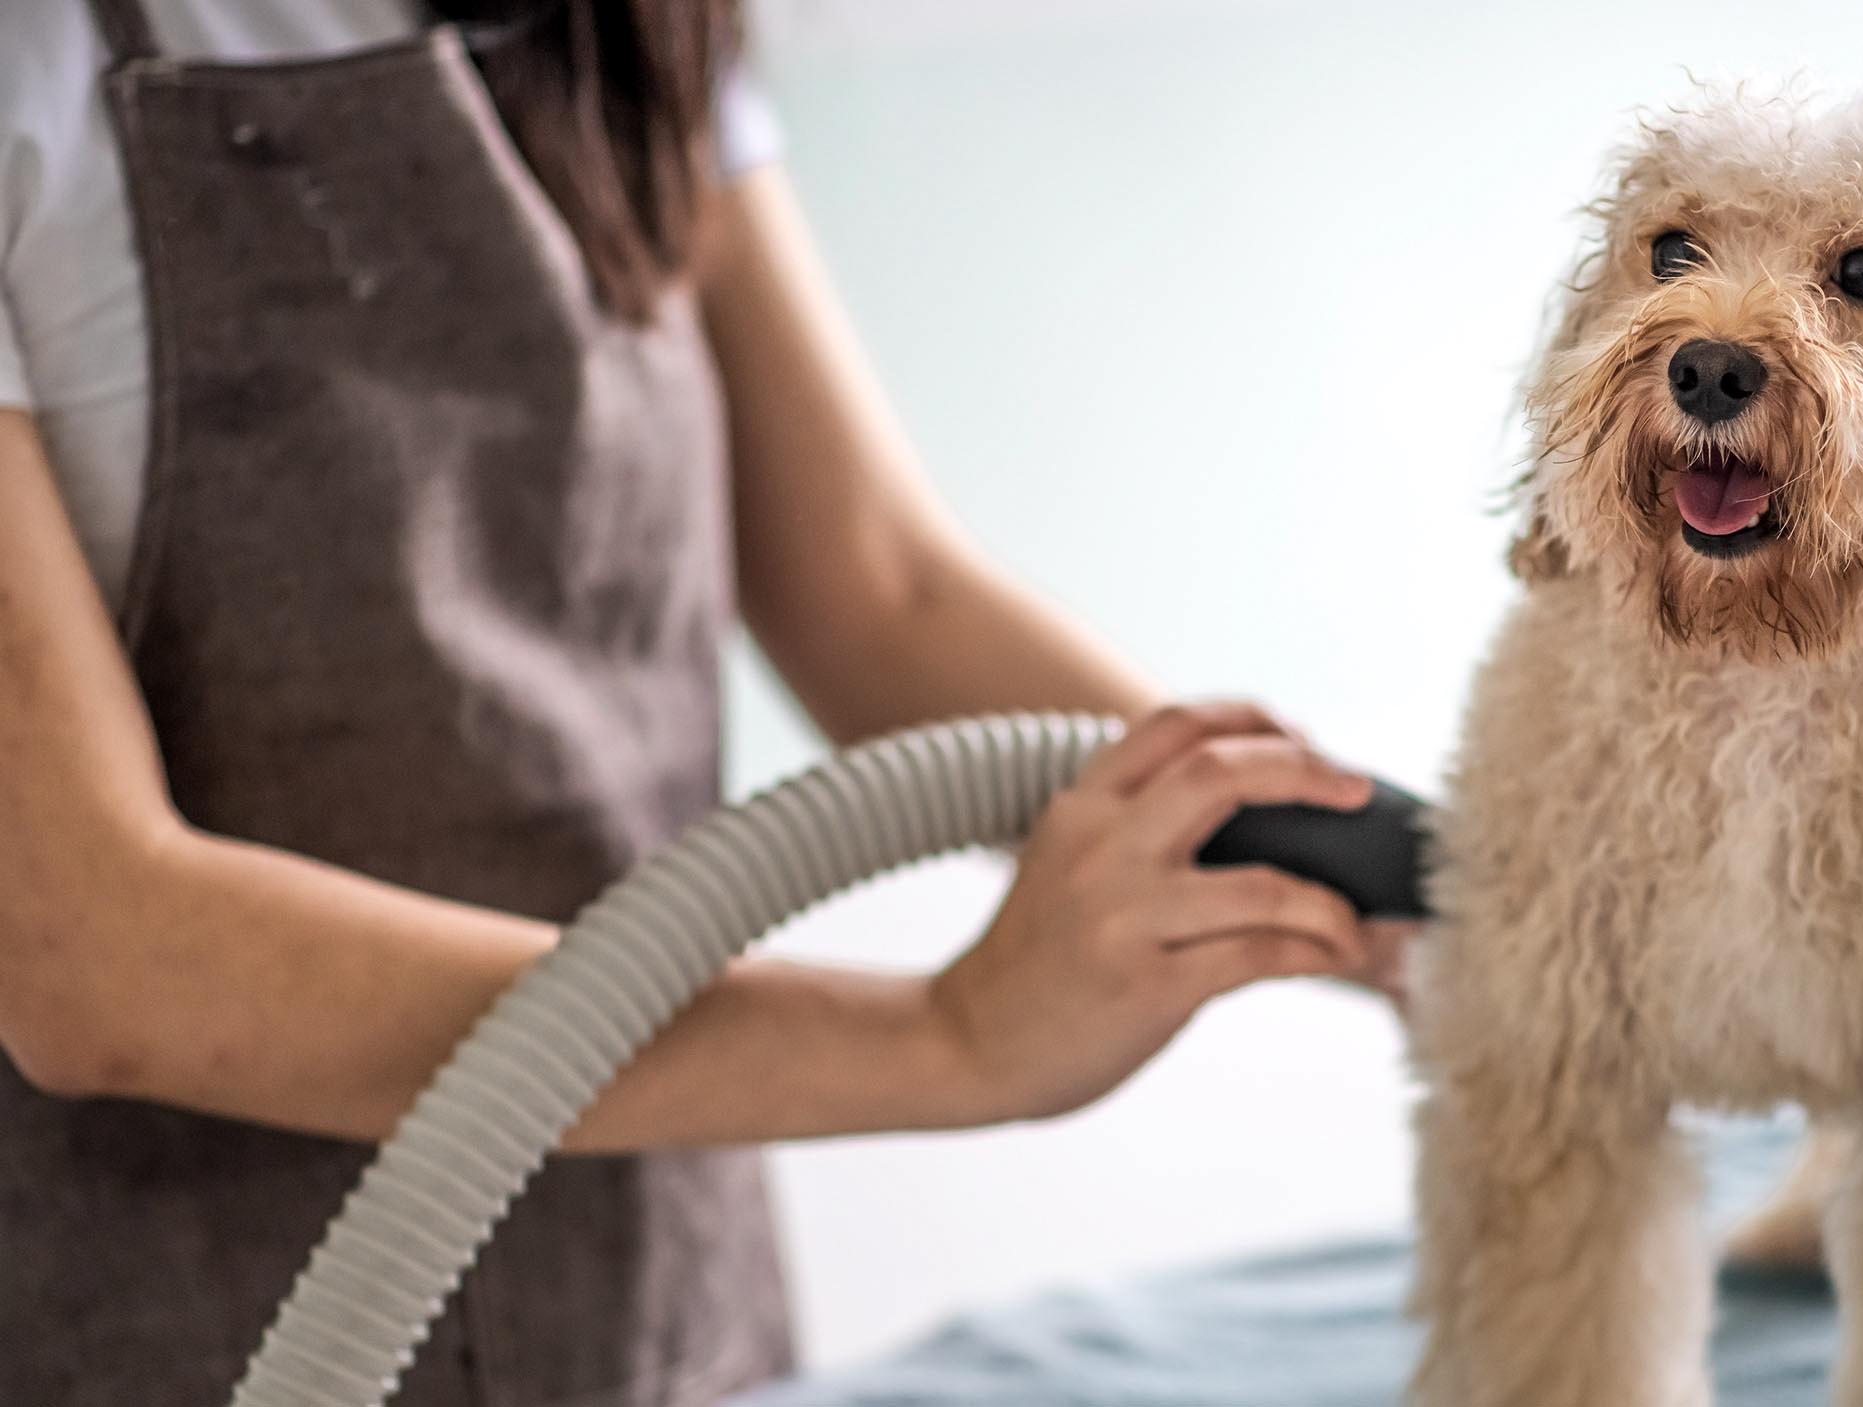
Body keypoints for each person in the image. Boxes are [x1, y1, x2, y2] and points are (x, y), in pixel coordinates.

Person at [0, 0, 1406, 1402]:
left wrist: (1423, 896)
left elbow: (877, 591)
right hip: (191, 1325)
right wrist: (953, 1035)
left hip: (651, 1303)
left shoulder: (630, 27)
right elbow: (92, 950)